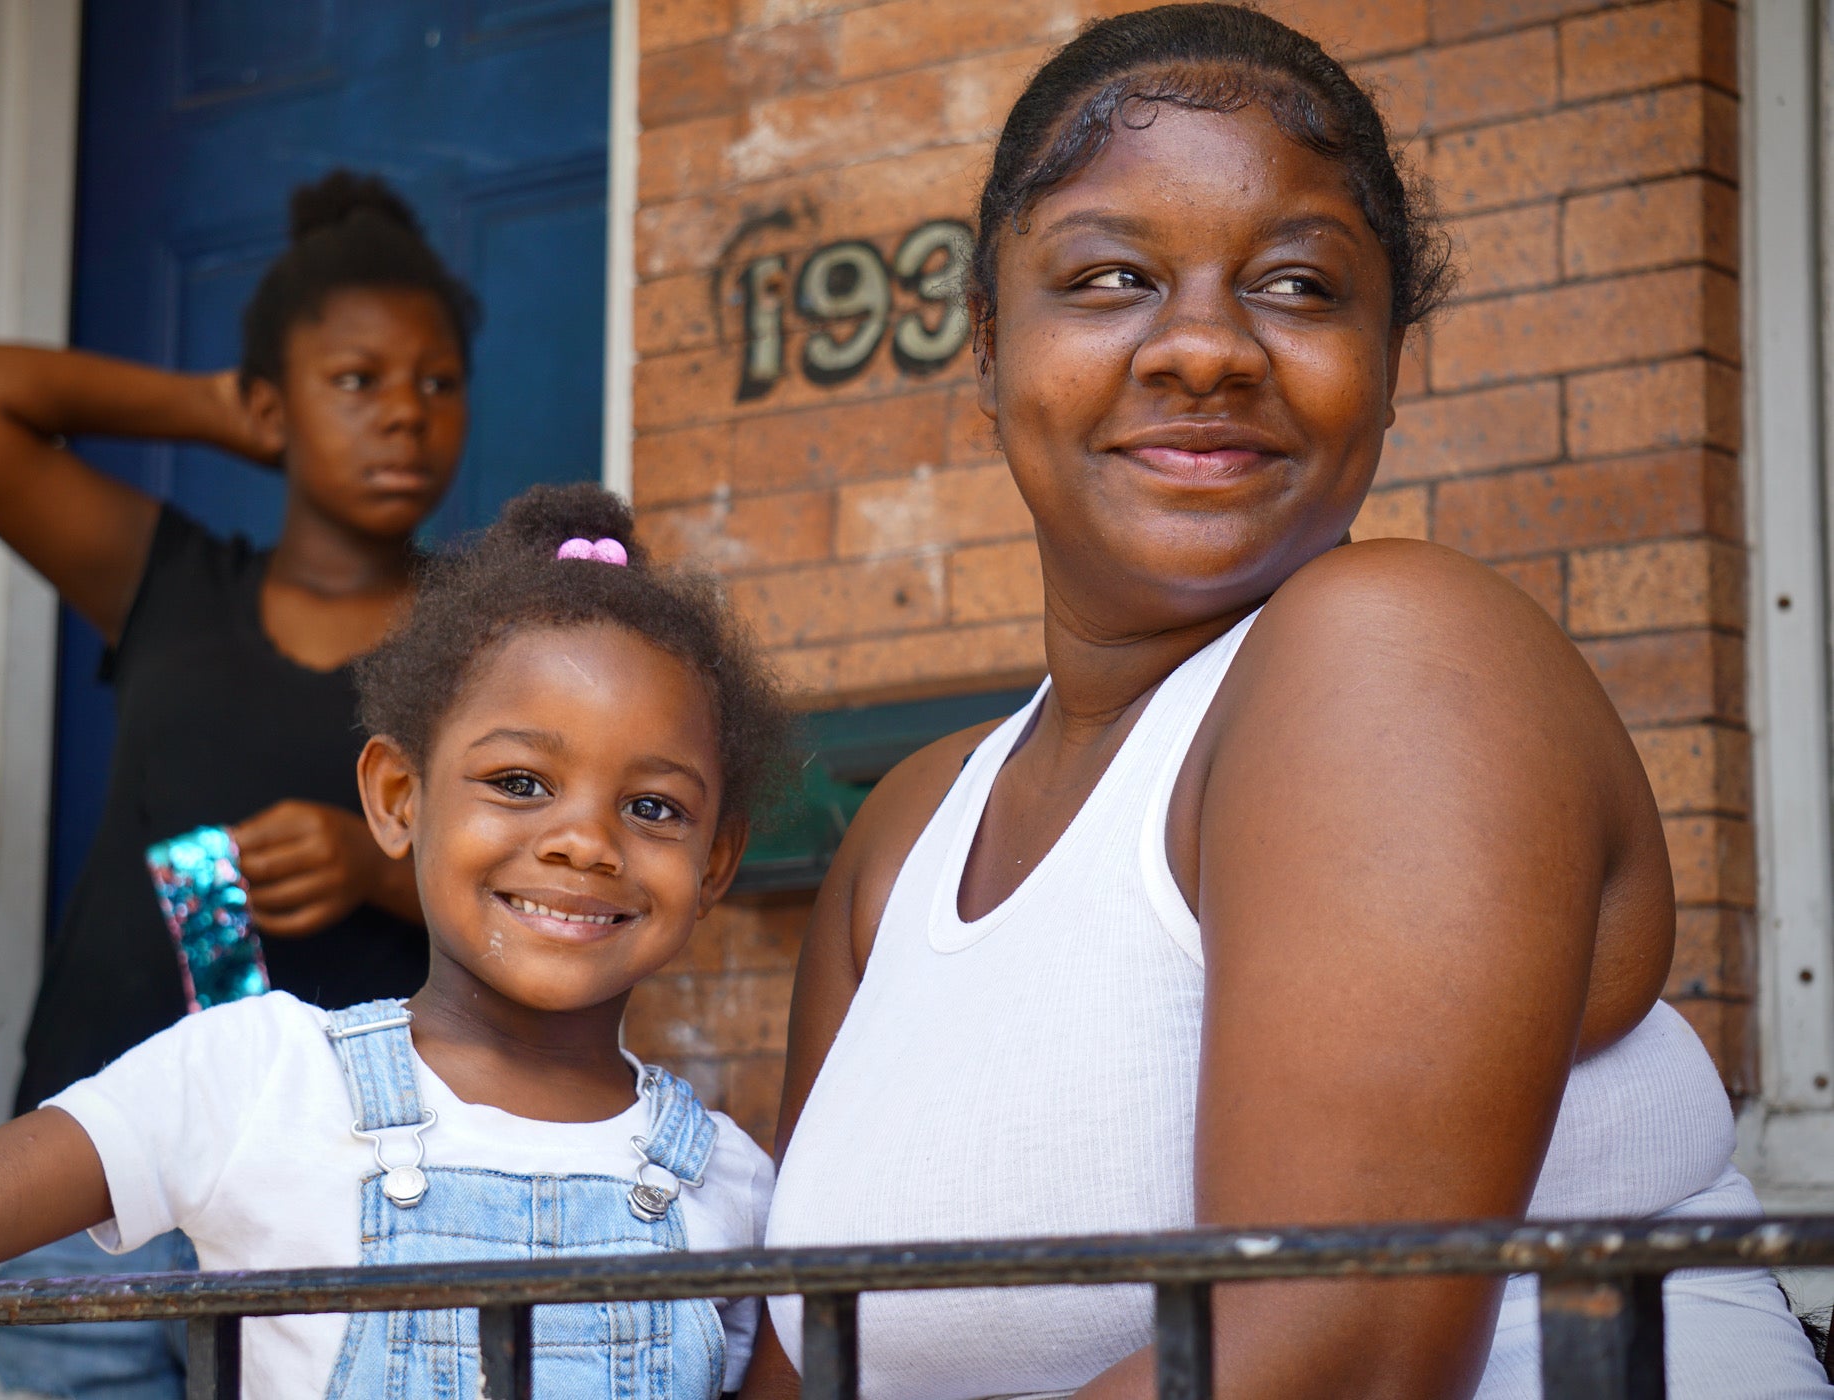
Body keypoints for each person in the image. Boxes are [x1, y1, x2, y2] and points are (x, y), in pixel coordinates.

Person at [748, 8, 1833, 1399]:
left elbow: (1330, 1359)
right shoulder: (908, 835)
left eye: (1300, 288)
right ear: (987, 341)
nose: (1204, 350)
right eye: (1110, 276)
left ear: (1391, 363)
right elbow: (798, 1354)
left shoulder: (1398, 656)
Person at [0, 484, 791, 1400]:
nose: (583, 841)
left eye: (653, 806)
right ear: (397, 797)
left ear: (714, 860)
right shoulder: (254, 1078)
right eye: (519, 782)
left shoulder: (738, 1187)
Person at [0, 171, 478, 1396]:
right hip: (91, 1168)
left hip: (346, 1180)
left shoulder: (486, 634)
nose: (407, 417)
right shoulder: (168, 583)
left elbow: (544, 884)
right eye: (355, 382)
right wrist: (217, 409)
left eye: (437, 383)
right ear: (273, 401)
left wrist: (378, 869)